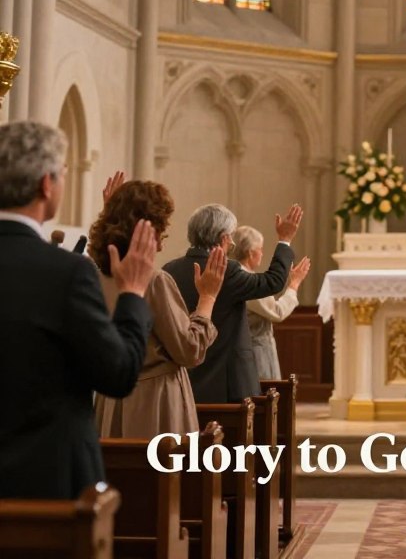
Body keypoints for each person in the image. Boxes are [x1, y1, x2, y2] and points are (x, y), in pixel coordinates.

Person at [0, 122, 155, 499]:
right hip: (48, 487)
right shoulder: (65, 273)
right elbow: (117, 374)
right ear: (46, 185)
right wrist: (133, 294)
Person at [88, 179, 227, 437]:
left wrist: (112, 212)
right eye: (159, 234)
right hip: (154, 403)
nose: (161, 245)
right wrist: (207, 298)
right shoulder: (154, 281)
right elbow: (189, 350)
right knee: (159, 476)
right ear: (143, 231)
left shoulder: (94, 276)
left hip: (111, 401)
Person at [163, 202, 301, 403]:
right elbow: (273, 282)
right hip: (228, 380)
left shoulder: (169, 270)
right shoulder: (228, 271)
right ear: (224, 238)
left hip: (184, 378)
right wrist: (285, 240)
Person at [232, 225, 311, 380]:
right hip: (255, 352)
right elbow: (277, 312)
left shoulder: (234, 274)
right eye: (260, 249)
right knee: (265, 398)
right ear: (250, 252)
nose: (262, 253)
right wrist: (294, 284)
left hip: (243, 349)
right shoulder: (247, 280)